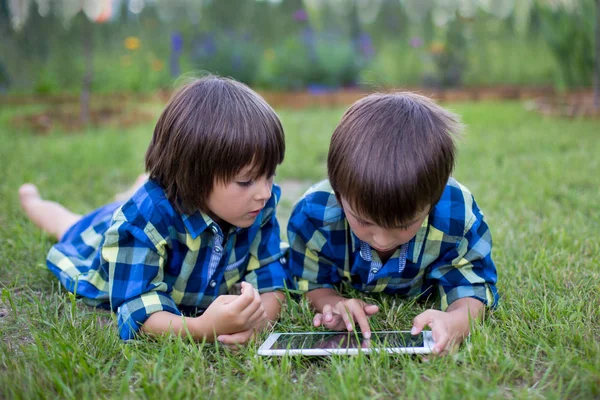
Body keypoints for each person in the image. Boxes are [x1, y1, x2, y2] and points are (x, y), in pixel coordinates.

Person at [19, 75, 290, 344]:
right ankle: (33, 201)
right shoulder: (142, 221)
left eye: (270, 175)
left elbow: (272, 278)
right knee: (67, 224)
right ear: (194, 174)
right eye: (246, 181)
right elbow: (137, 310)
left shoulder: (259, 205)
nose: (265, 192)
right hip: (105, 236)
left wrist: (258, 324)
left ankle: (137, 185)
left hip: (161, 202)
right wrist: (200, 328)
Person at [287, 92, 498, 355]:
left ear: (433, 201)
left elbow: (472, 286)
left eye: (404, 225)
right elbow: (309, 281)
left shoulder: (457, 216)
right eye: (364, 221)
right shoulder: (315, 216)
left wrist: (457, 321)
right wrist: (332, 302)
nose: (382, 240)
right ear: (340, 195)